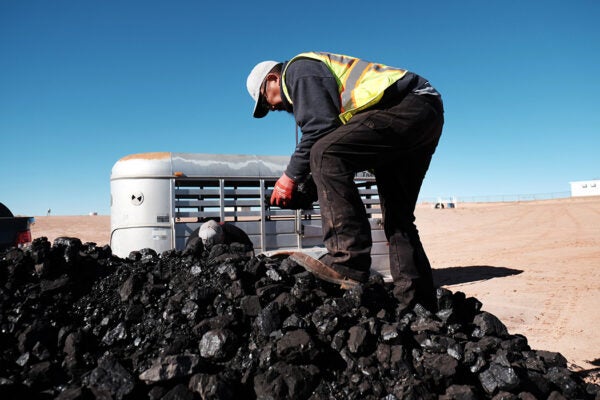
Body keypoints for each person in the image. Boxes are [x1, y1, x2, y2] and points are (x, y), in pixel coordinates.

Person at [246, 52, 444, 309]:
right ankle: (417, 305)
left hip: (405, 105)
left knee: (323, 152)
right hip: (424, 112)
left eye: (266, 100)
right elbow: (338, 147)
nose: (271, 107)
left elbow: (321, 130)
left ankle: (347, 260)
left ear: (273, 78)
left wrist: (290, 177)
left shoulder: (298, 70)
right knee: (398, 219)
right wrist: (307, 190)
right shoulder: (314, 82)